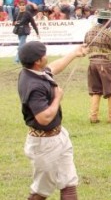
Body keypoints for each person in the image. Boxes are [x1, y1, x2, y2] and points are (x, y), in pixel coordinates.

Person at [17, 41, 88, 200]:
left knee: (69, 183)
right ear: (37, 61)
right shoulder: (33, 85)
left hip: (58, 136)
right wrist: (57, 98)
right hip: (44, 144)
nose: (46, 56)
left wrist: (75, 53)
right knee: (41, 192)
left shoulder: (34, 72)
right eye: (44, 55)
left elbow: (54, 67)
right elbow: (44, 118)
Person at [83, 10, 111, 124]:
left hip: (92, 64)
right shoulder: (108, 33)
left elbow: (85, 45)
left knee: (96, 90)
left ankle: (93, 116)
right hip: (105, 64)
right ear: (107, 21)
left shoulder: (89, 32)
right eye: (110, 21)